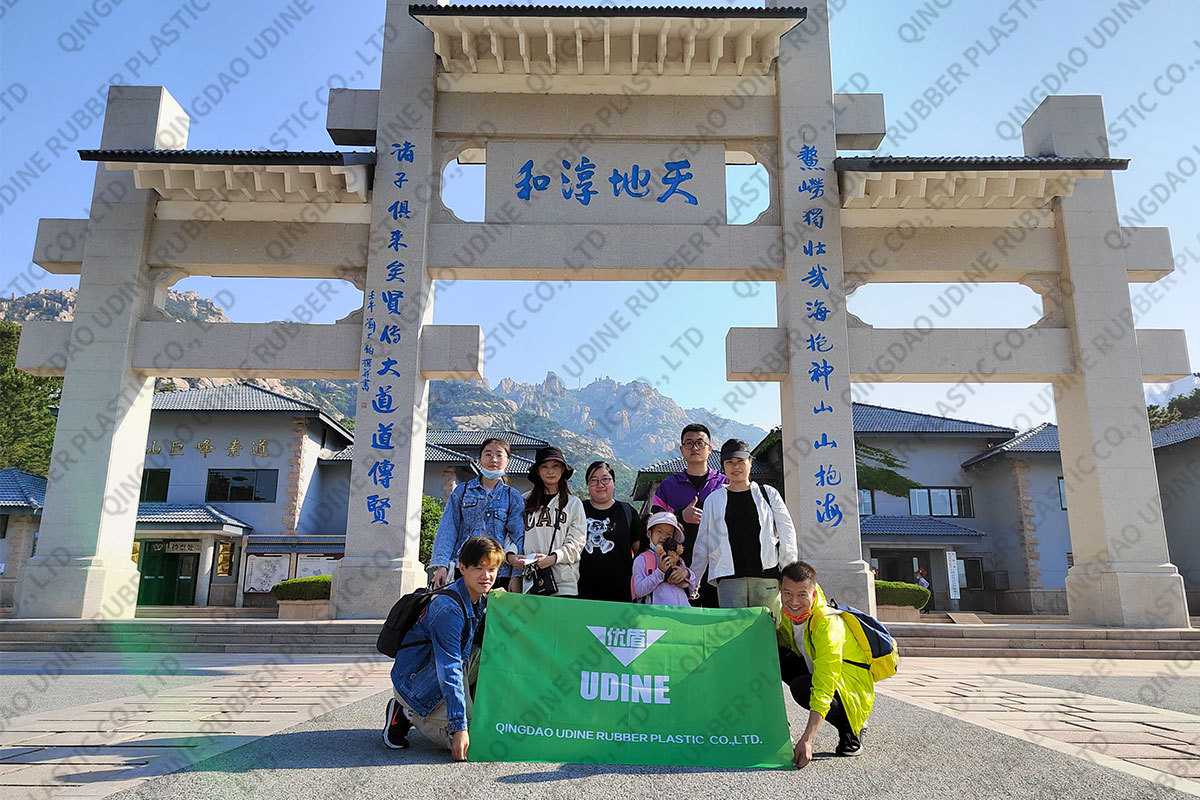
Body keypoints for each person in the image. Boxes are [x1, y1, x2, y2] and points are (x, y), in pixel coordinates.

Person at [384, 536, 504, 760]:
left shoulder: (480, 599)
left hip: (442, 670)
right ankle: (407, 712)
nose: (486, 576)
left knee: (498, 654)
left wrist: (502, 604)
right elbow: (450, 668)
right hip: (420, 684)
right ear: (462, 567)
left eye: (492, 569)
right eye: (478, 568)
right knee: (476, 741)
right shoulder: (447, 610)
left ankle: (468, 711)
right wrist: (459, 728)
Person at [777, 561, 875, 767]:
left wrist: (807, 739)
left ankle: (852, 729)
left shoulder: (827, 624)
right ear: (780, 592)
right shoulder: (787, 615)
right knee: (774, 654)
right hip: (819, 675)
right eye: (787, 594)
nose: (794, 602)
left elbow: (825, 681)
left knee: (803, 688)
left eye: (802, 595)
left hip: (850, 691)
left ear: (813, 595)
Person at [691, 438, 798, 619]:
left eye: (741, 461)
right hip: (729, 580)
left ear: (750, 462)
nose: (736, 467)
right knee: (733, 634)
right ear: (723, 465)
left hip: (767, 579)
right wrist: (693, 579)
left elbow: (787, 533)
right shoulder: (713, 500)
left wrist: (789, 574)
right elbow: (703, 542)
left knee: (768, 632)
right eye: (729, 462)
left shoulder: (768, 494)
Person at [430, 437, 526, 592]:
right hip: (464, 567)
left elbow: (518, 537)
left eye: (499, 455)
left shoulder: (512, 496)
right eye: (488, 454)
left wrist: (516, 576)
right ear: (480, 458)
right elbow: (448, 529)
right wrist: (442, 566)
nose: (493, 459)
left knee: (491, 615)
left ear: (508, 460)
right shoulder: (462, 491)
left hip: (497, 571)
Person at [650, 423, 728, 606]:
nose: (694, 448)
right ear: (681, 450)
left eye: (700, 443)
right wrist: (679, 516)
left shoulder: (725, 483)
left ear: (709, 449)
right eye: (689, 443)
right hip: (678, 569)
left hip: (719, 569)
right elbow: (653, 524)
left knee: (716, 622)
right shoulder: (668, 486)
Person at [511, 446, 586, 597]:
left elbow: (577, 542)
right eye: (544, 467)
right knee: (533, 621)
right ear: (538, 471)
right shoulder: (523, 500)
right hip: (531, 580)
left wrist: (553, 558)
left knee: (561, 621)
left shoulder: (573, 503)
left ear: (562, 470)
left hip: (564, 583)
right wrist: (511, 556)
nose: (550, 471)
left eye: (555, 466)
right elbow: (513, 534)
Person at [579, 460, 645, 602]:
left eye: (605, 479)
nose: (600, 485)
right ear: (587, 485)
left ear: (614, 483)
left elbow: (641, 551)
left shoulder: (627, 512)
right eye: (594, 481)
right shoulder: (577, 510)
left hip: (621, 594)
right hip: (581, 593)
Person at [632, 511, 697, 606]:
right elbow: (639, 591)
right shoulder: (642, 559)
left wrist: (687, 574)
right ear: (649, 534)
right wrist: (660, 572)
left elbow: (692, 591)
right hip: (656, 616)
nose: (663, 537)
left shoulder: (678, 560)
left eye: (669, 534)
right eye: (659, 532)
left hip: (682, 613)